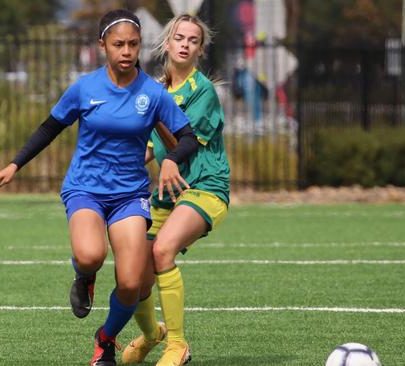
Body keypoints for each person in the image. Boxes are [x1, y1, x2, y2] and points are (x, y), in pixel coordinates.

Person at [0, 9, 200, 366]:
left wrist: (171, 158)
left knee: (132, 285)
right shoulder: (85, 88)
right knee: (90, 255)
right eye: (118, 45)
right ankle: (84, 275)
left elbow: (188, 137)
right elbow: (50, 127)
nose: (126, 51)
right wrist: (14, 164)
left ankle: (105, 338)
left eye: (133, 44)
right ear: (102, 46)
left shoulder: (153, 94)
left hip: (130, 195)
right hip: (85, 189)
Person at [121, 14, 230, 366]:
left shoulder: (203, 91)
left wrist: (163, 151)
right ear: (167, 43)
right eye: (179, 37)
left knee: (162, 251)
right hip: (167, 193)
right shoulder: (153, 92)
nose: (184, 44)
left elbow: (186, 144)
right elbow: (149, 150)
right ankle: (154, 334)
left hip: (204, 187)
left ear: (200, 48)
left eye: (192, 40)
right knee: (134, 276)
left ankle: (178, 346)